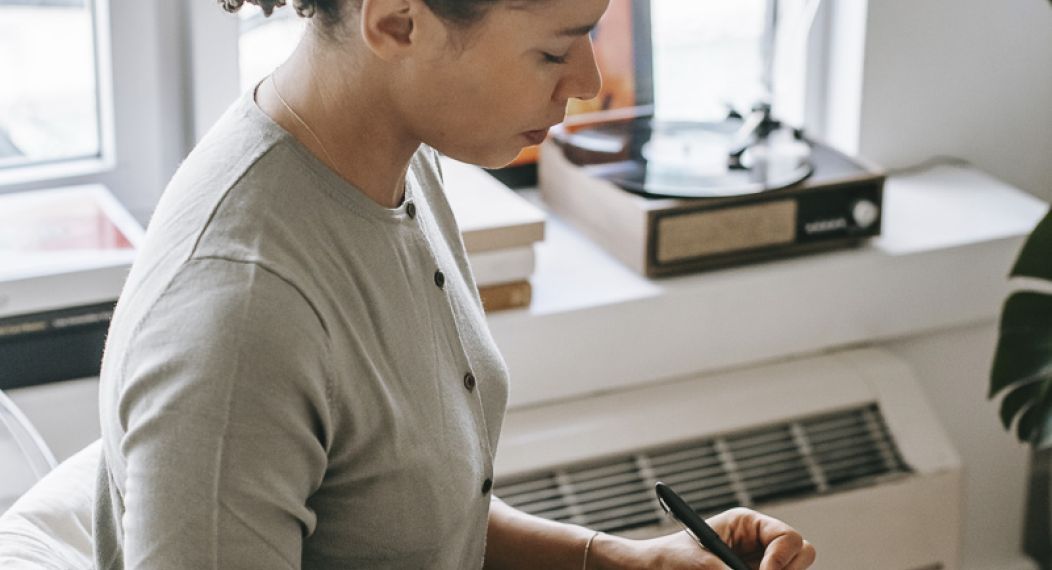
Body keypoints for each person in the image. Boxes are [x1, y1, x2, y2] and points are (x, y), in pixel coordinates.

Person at [92, 0, 818, 568]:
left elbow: (383, 517)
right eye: (554, 49)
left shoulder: (393, 158)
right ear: (399, 22)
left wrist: (622, 561)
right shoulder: (243, 318)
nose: (590, 82)